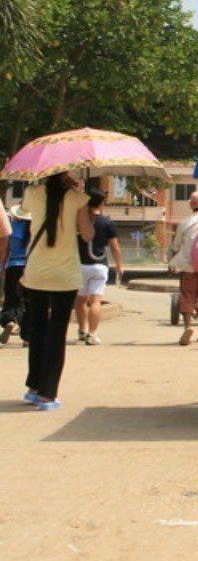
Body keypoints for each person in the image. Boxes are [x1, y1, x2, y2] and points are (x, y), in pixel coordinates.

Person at [21, 172, 93, 411]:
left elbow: (25, 212)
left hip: (36, 271)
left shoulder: (32, 192)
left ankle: (34, 386)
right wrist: (85, 207)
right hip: (65, 273)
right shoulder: (78, 198)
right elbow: (88, 235)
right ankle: (48, 394)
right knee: (57, 332)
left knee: (37, 327)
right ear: (66, 174)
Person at [74, 189, 123, 346]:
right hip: (99, 266)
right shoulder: (107, 223)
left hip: (80, 265)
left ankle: (82, 330)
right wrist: (119, 265)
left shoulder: (77, 221)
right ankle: (92, 334)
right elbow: (115, 247)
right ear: (101, 203)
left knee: (81, 300)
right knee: (95, 301)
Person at [167, 191, 198, 346]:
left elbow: (175, 247)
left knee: (187, 296)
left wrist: (172, 263)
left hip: (187, 266)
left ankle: (188, 326)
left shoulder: (184, 223)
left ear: (191, 206)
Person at [1, 204, 30, 345]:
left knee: (11, 296)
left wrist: (3, 265)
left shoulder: (11, 227)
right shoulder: (31, 228)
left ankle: (10, 320)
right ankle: (27, 335)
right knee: (26, 300)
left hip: (13, 266)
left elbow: (5, 248)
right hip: (28, 267)